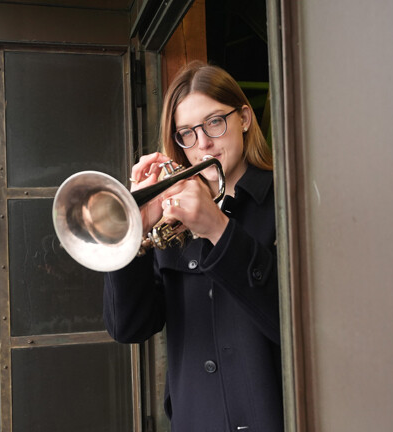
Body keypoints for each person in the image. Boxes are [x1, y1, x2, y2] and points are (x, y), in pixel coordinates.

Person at [103, 61, 283, 432]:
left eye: (214, 122)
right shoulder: (173, 221)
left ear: (244, 118)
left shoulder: (286, 202)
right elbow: (128, 327)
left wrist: (219, 230)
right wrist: (134, 231)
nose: (202, 144)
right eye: (186, 132)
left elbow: (297, 327)